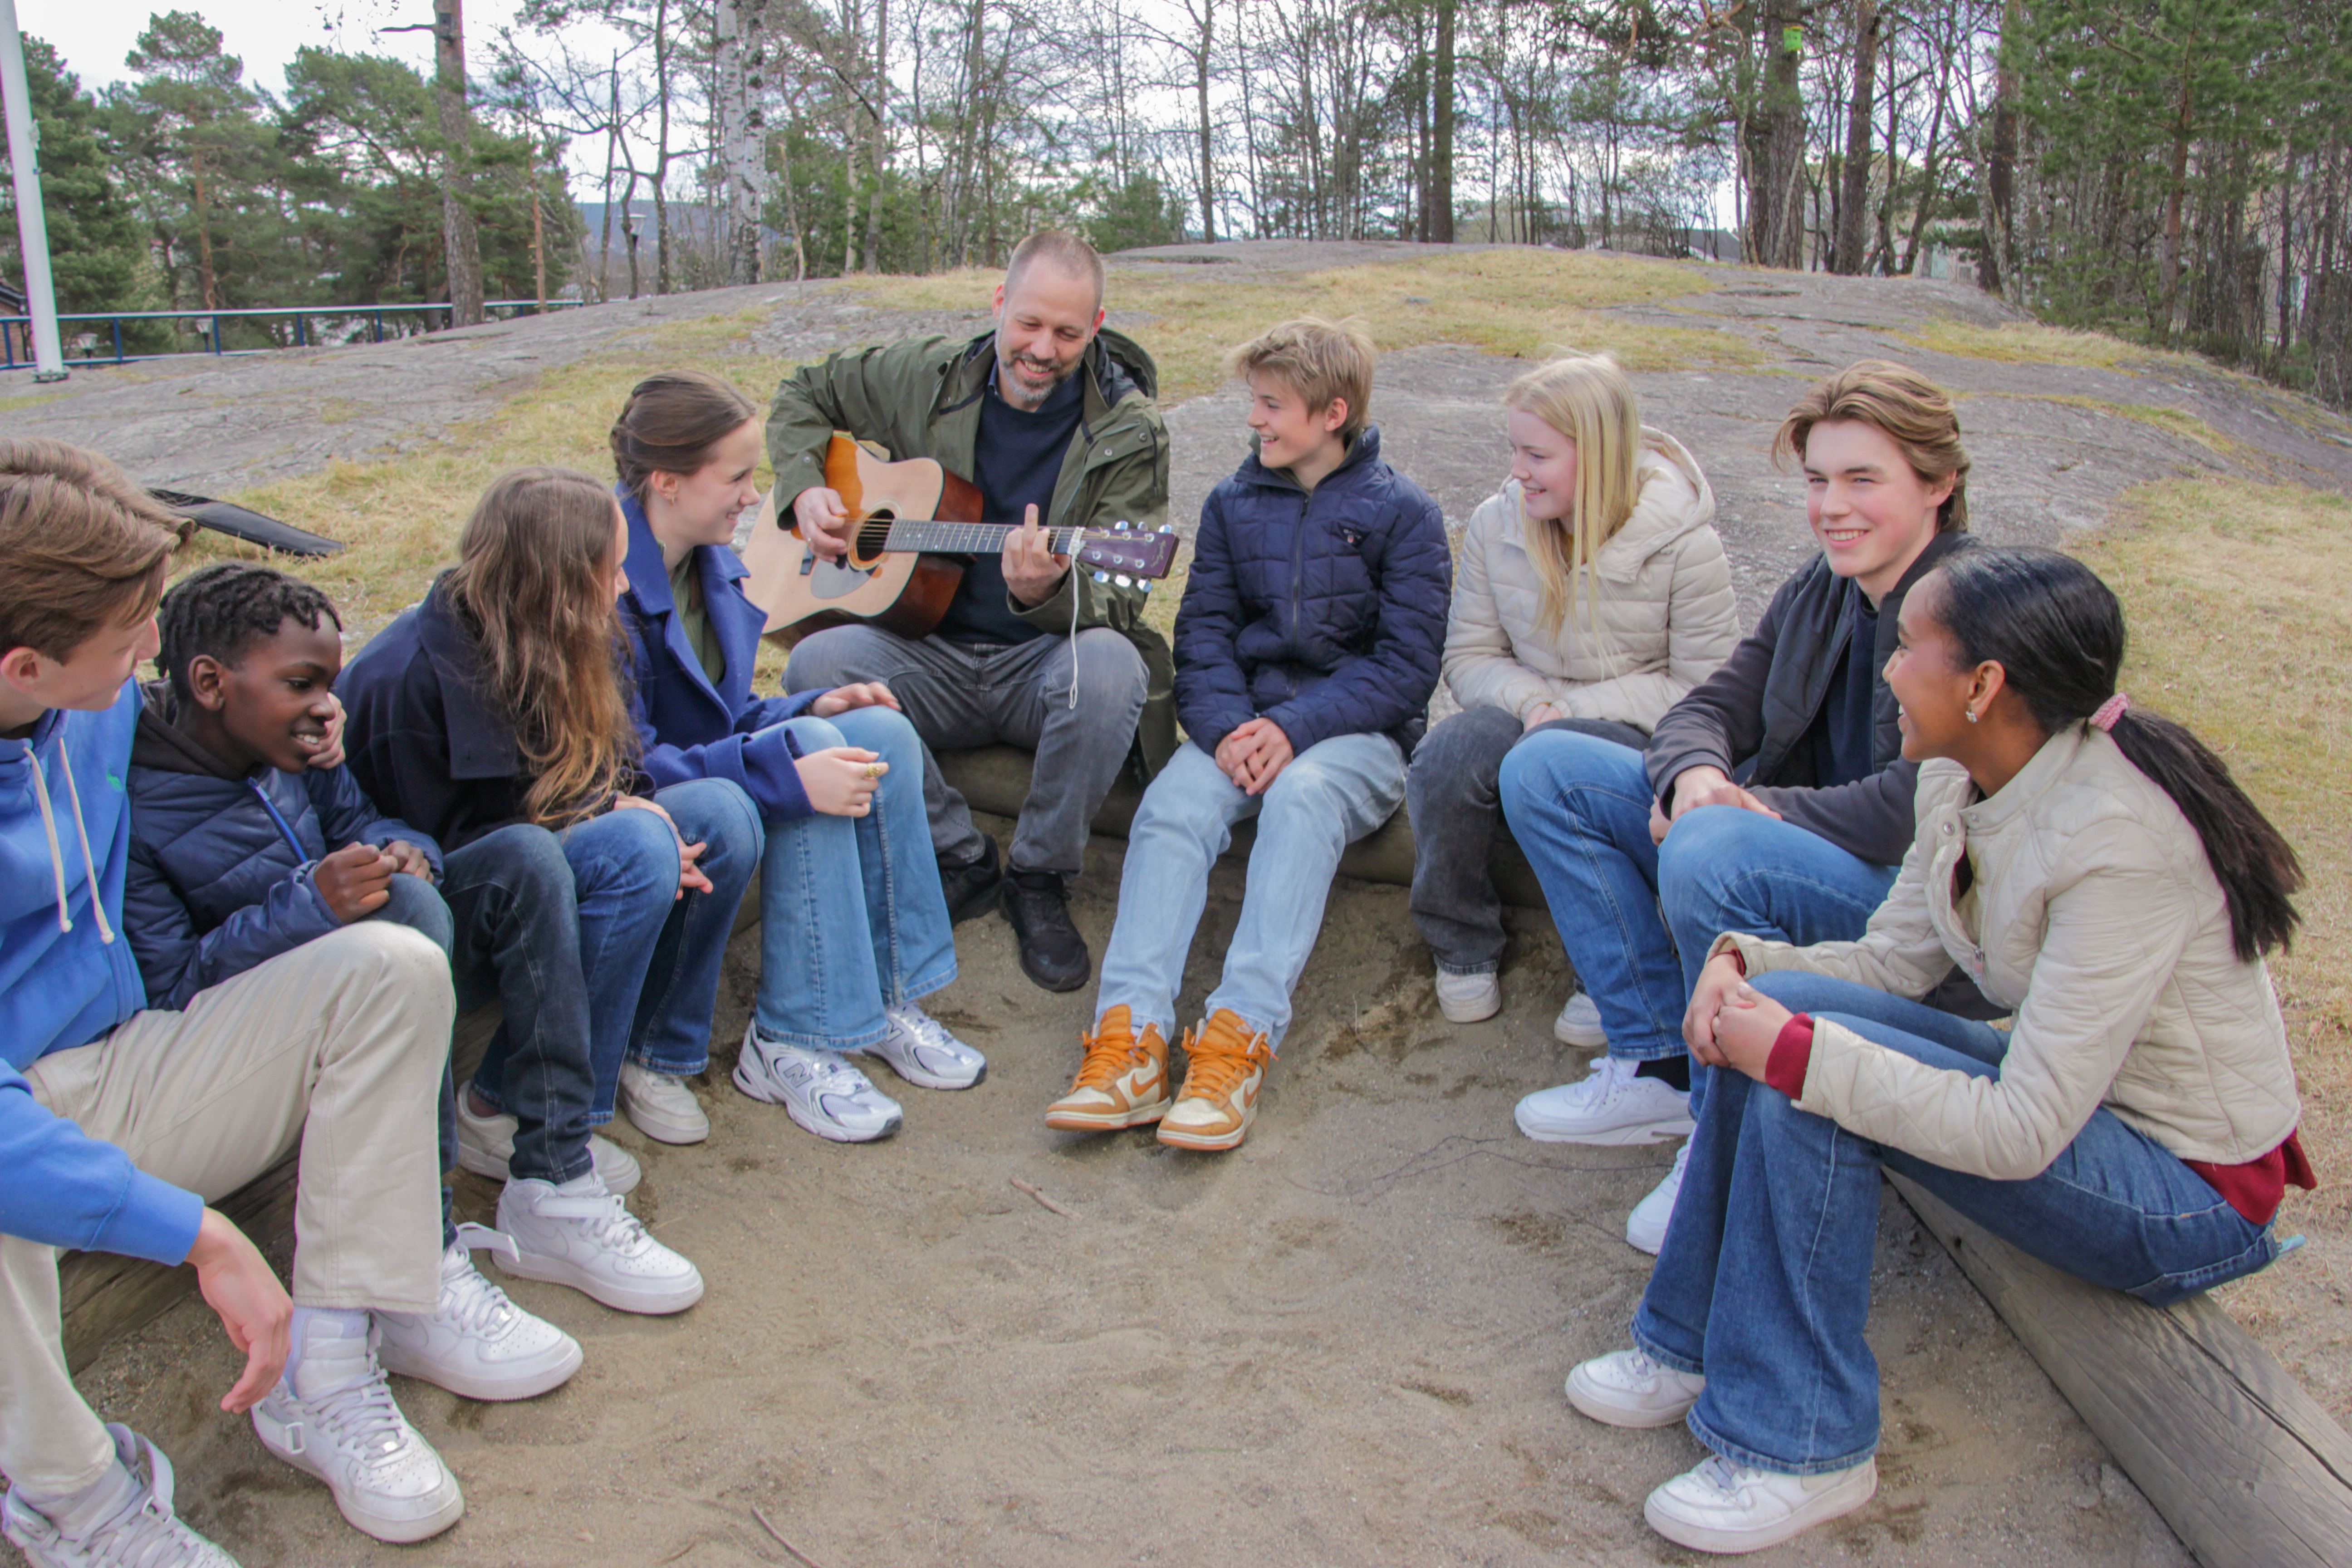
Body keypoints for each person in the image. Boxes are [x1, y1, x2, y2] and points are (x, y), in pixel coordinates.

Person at [1564, 544, 2314, 1554]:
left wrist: (1792, 1052)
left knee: (1804, 1066)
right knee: (1787, 1014)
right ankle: (1689, 1342)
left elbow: (2022, 1133)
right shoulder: (1959, 776)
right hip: (2076, 1108)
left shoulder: (2120, 841)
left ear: (1984, 684)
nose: (1889, 669)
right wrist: (1743, 961)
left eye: (1911, 647)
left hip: (2187, 1191)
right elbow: (1894, 960)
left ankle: (1806, 1444)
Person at [0, 439, 466, 1561]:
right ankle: (75, 1499)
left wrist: (306, 733)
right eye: (131, 638)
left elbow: (192, 707)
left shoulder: (93, 708)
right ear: (23, 666)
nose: (153, 653)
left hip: (126, 1060)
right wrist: (201, 1236)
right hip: (19, 1106)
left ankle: (331, 1369)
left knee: (394, 965)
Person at [1499, 361, 1977, 1254]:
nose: (1833, 505)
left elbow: (1917, 809)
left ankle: (1718, 1146)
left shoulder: (1974, 612)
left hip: (1916, 919)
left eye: (1863, 479)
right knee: (1548, 765)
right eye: (1818, 480)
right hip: (1789, 847)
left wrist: (1735, 806)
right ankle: (1658, 1065)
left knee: (1714, 846)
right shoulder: (1824, 587)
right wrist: (1690, 779)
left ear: (1940, 484)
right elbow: (1708, 708)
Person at [122, 561, 588, 1406]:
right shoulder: (138, 807)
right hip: (265, 1034)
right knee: (405, 913)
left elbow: (363, 823)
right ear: (208, 682)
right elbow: (171, 991)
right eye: (301, 684)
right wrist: (311, 904)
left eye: (330, 685)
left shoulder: (295, 745)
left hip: (377, 984)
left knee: (521, 858)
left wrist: (408, 846)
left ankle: (556, 1174)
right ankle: (422, 1261)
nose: (324, 707)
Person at [1046, 318, 1450, 1151]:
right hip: (1242, 729)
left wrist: (1294, 729)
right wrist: (1230, 728)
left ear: (1332, 412)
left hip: (1355, 740)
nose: (1255, 421)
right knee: (1170, 809)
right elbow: (1202, 638)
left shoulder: (1404, 514)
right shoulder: (1233, 504)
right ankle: (1128, 1043)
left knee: (1302, 800)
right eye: (1254, 403)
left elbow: (1406, 670)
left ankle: (1237, 1042)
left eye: (1273, 406)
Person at [340, 467, 724, 1318]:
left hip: (519, 867)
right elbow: (436, 857)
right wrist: (610, 822)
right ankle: (517, 1124)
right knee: (609, 850)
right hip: (432, 928)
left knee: (681, 830)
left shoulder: (559, 637)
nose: (624, 589)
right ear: (555, 583)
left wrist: (625, 813)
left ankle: (534, 1114)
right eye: (610, 572)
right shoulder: (409, 675)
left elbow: (603, 775)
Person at [773, 229, 1174, 993]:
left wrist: (1043, 593)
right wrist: (804, 487)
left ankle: (1038, 874)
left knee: (1114, 668)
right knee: (816, 662)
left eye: (1066, 331)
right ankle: (961, 854)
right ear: (999, 304)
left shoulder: (1129, 429)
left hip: (1038, 667)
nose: (1042, 349)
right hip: (929, 655)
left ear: (1095, 326)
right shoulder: (923, 376)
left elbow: (1122, 596)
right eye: (1028, 323)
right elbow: (804, 391)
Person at [609, 370, 980, 1145]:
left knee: (878, 730)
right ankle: (790, 1036)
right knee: (807, 758)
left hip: (688, 773)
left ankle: (880, 999)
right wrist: (789, 754)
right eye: (738, 477)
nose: (756, 498)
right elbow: (624, 766)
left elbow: (723, 715)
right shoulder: (602, 581)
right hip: (629, 805)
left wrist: (808, 705)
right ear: (668, 482)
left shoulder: (707, 567)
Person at [1408, 353, 1737, 1034]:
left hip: (1631, 726)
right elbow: (1470, 654)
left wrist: (1573, 714)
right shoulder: (1497, 526)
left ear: (1600, 457)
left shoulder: (1685, 544)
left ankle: (1611, 968)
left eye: (1538, 454)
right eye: (1514, 450)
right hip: (1528, 709)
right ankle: (1461, 943)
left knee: (1579, 778)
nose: (1517, 471)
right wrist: (1534, 705)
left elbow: (1704, 688)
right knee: (1447, 757)